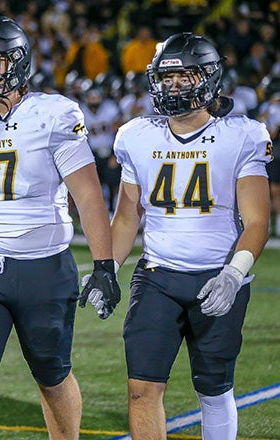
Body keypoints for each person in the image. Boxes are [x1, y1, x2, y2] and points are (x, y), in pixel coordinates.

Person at [0, 16, 120, 439]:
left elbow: (89, 195)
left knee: (52, 375)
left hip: (44, 268)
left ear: (15, 64)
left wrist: (105, 265)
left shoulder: (52, 113)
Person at [110, 33, 272, 439]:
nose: (176, 84)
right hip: (157, 277)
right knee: (141, 390)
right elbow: (128, 215)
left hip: (218, 276)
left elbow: (257, 222)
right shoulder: (137, 136)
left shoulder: (241, 135)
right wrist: (106, 268)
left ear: (210, 78)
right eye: (168, 77)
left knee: (214, 391)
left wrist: (234, 275)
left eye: (187, 75)